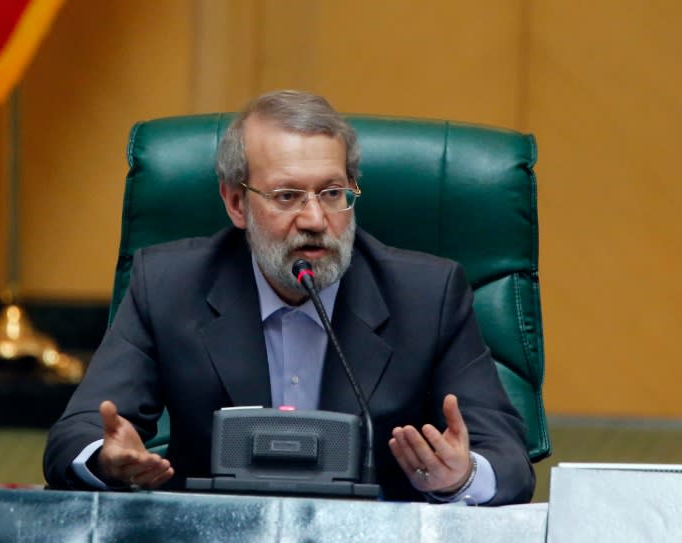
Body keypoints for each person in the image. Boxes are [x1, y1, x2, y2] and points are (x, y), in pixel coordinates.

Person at [43, 90, 535, 505]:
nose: (315, 219)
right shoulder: (169, 285)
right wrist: (106, 460)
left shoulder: (428, 296)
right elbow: (77, 436)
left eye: (332, 193)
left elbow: (508, 456)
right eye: (286, 196)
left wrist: (462, 477)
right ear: (236, 203)